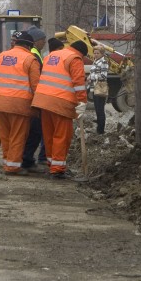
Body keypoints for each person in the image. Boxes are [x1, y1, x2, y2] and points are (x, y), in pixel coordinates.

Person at [0, 31, 40, 175]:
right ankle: (12, 167)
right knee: (17, 136)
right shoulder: (30, 59)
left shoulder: (1, 57)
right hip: (19, 105)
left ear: (16, 43)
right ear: (29, 46)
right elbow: (36, 86)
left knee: (5, 135)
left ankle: (7, 162)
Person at [32, 39, 89, 180]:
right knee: (61, 136)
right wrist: (82, 102)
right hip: (60, 102)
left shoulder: (52, 55)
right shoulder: (75, 58)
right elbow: (79, 83)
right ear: (82, 54)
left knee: (49, 135)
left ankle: (52, 165)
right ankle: (57, 170)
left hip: (43, 101)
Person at [21, 27, 49, 172]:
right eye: (43, 40)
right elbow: (35, 81)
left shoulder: (35, 54)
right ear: (36, 41)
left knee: (31, 131)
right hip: (32, 100)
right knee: (35, 131)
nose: (44, 42)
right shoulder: (34, 56)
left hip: (28, 99)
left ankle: (25, 158)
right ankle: (27, 160)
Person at [87, 45, 110, 135]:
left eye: (98, 53)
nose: (95, 54)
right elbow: (93, 72)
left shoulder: (103, 62)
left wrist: (91, 77)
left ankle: (101, 131)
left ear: (102, 53)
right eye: (95, 53)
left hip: (100, 88)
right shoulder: (96, 61)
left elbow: (103, 76)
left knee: (100, 110)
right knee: (97, 109)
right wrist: (89, 77)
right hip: (94, 88)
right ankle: (99, 128)